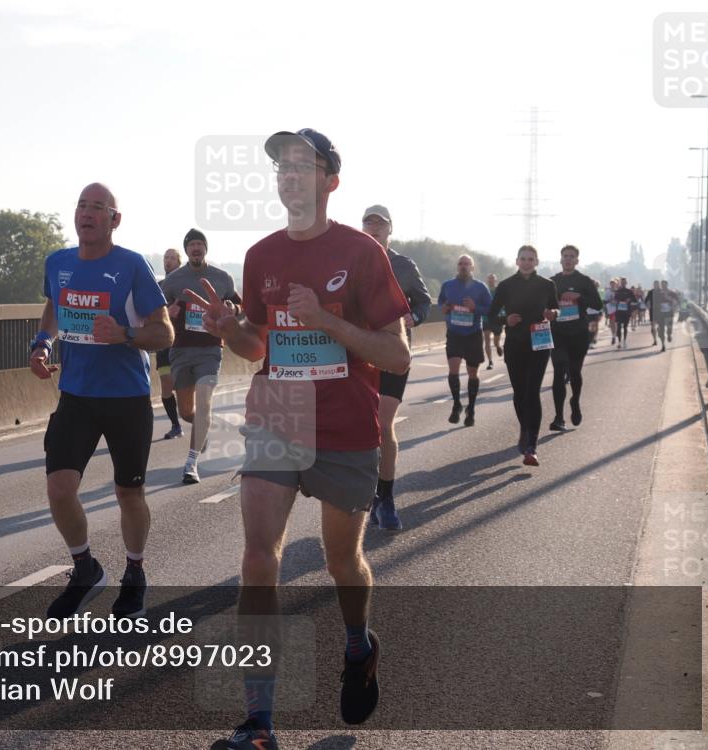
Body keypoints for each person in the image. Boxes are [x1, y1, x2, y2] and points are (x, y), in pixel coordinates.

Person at [194, 129, 410, 750]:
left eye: (301, 165)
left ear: (329, 180)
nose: (288, 175)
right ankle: (259, 720)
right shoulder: (261, 255)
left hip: (346, 422)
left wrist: (326, 320)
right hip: (279, 413)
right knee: (259, 559)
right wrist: (228, 328)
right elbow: (257, 346)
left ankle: (357, 643)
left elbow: (395, 352)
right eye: (281, 166)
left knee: (343, 562)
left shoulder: (364, 252)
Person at [30, 183, 173, 621]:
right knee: (59, 488)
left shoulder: (131, 266)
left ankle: (134, 573)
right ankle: (85, 568)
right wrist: (41, 344)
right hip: (76, 394)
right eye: (81, 206)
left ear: (114, 219)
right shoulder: (59, 262)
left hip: (126, 397)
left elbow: (165, 332)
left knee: (128, 492)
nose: (86, 214)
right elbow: (54, 306)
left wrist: (125, 335)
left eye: (97, 208)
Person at [361, 203, 431, 531]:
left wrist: (412, 317)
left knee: (383, 423)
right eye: (368, 223)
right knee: (362, 428)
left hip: (394, 353)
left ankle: (385, 497)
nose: (374, 228)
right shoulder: (351, 262)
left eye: (380, 224)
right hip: (358, 355)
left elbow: (423, 301)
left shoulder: (404, 265)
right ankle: (369, 492)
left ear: (390, 230)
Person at [160, 228, 241, 483]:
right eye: (191, 244)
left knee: (204, 401)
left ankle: (191, 463)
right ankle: (203, 427)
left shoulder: (222, 277)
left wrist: (232, 307)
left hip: (210, 348)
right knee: (187, 411)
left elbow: (241, 306)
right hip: (181, 349)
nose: (196, 248)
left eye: (200, 244)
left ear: (206, 248)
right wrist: (167, 311)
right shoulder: (173, 280)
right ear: (186, 250)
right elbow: (155, 312)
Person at [487, 245, 558, 466]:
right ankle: (525, 429)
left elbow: (556, 309)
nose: (527, 262)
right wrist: (505, 321)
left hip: (539, 343)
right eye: (523, 259)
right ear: (517, 261)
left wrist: (553, 314)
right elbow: (491, 316)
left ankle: (532, 446)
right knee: (519, 392)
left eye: (531, 259)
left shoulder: (547, 285)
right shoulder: (506, 285)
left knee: (532, 391)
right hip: (515, 344)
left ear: (537, 262)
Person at [548, 245, 602, 431]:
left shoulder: (584, 281)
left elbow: (598, 304)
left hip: (578, 334)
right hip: (557, 333)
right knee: (558, 373)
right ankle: (558, 418)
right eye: (565, 256)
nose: (568, 259)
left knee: (575, 373)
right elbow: (542, 304)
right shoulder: (552, 282)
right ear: (560, 259)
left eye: (572, 256)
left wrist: (579, 296)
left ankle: (575, 402)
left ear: (577, 260)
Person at [437, 255, 492, 427]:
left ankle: (471, 408)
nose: (463, 266)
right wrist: (444, 308)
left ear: (472, 268)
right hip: (454, 333)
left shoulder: (481, 287)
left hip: (473, 333)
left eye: (467, 264)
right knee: (453, 370)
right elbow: (440, 304)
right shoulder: (447, 285)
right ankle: (456, 404)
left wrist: (475, 308)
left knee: (472, 373)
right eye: (460, 263)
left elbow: (490, 309)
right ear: (457, 266)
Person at [158, 248, 184, 439]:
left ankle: (199, 419)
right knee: (166, 385)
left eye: (172, 258)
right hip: (164, 342)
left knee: (182, 387)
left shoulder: (185, 286)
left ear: (179, 262)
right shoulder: (157, 286)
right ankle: (176, 425)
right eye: (166, 257)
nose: (168, 261)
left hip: (184, 343)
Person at [484, 272, 504, 369]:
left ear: (495, 280)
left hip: (497, 318)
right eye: (489, 278)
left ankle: (498, 346)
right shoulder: (484, 290)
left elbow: (504, 302)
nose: (491, 280)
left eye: (493, 278)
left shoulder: (499, 290)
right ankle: (490, 361)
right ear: (487, 280)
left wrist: (504, 313)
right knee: (486, 339)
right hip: (486, 318)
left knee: (496, 341)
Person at [613, 277, 638, 349]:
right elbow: (615, 299)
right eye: (622, 282)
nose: (623, 283)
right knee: (618, 326)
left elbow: (635, 300)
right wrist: (616, 301)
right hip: (619, 311)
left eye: (624, 282)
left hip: (626, 311)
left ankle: (624, 341)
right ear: (621, 283)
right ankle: (619, 342)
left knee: (625, 327)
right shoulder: (618, 291)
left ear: (626, 283)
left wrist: (629, 299)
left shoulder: (629, 291)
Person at [653, 280, 677, 352]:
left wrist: (668, 298)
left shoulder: (671, 293)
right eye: (662, 285)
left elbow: (676, 302)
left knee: (669, 328)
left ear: (667, 285)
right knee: (661, 330)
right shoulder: (658, 293)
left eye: (664, 285)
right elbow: (654, 303)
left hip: (669, 313)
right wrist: (658, 306)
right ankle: (663, 345)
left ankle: (669, 334)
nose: (663, 286)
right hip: (660, 314)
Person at [645, 281, 660, 347]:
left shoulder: (661, 292)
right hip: (652, 310)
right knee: (653, 327)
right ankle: (655, 340)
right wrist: (648, 306)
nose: (656, 285)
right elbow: (646, 300)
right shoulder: (650, 292)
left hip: (660, 311)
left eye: (657, 284)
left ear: (658, 285)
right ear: (653, 285)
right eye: (655, 284)